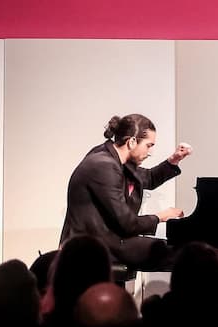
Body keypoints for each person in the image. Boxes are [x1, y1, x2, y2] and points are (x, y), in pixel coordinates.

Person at [58, 113, 192, 270]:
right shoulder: (104, 166)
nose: (150, 152)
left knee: (180, 250)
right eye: (149, 146)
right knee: (183, 254)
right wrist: (160, 217)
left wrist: (174, 159)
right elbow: (127, 223)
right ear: (132, 141)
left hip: (108, 238)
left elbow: (148, 178)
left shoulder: (113, 158)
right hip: (94, 245)